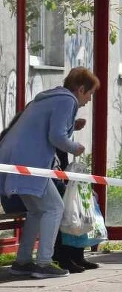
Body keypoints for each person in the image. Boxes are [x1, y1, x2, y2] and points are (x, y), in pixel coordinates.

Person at [0, 67, 98, 279]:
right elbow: (56, 136)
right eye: (90, 93)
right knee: (55, 208)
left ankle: (23, 261)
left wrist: (72, 126)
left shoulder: (48, 97)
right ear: (81, 89)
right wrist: (76, 147)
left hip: (13, 161)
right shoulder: (67, 100)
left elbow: (45, 129)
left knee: (37, 211)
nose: (89, 99)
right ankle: (43, 263)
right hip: (31, 163)